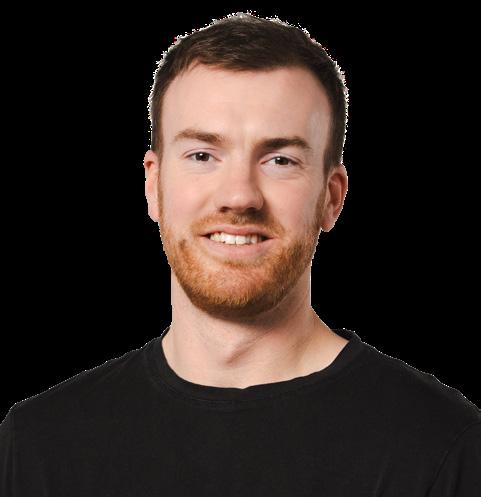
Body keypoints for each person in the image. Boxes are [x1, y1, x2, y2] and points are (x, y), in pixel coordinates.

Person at [1, 12, 479, 496]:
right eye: (202, 155)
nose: (240, 196)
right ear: (153, 185)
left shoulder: (443, 446)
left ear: (332, 197)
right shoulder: (38, 444)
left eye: (280, 160)